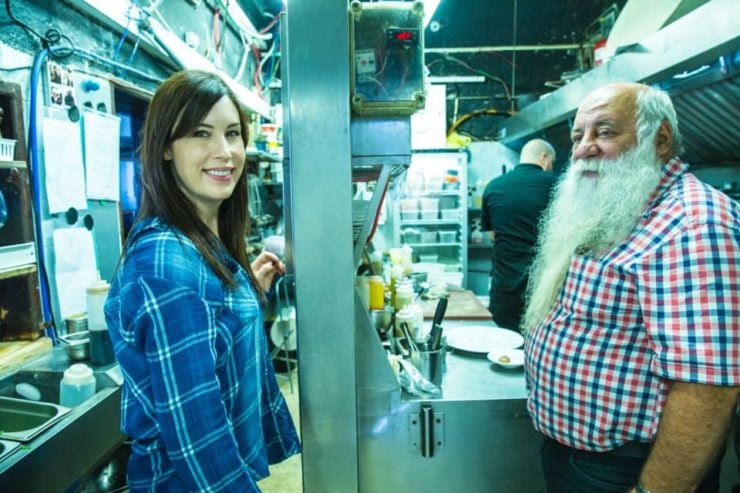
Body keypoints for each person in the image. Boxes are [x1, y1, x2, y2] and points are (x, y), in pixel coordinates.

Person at [522, 82, 739, 493]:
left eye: (604, 132)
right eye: (578, 135)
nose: (585, 147)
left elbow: (707, 388)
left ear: (659, 139)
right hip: (579, 458)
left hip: (631, 469)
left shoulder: (693, 225)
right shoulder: (620, 204)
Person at [104, 69, 300, 492]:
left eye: (232, 133)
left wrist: (245, 298)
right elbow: (198, 436)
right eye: (200, 133)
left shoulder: (203, 244)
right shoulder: (165, 260)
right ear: (167, 149)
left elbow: (209, 342)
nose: (224, 151)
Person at [480, 138, 556, 332]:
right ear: (544, 158)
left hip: (505, 286)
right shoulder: (557, 185)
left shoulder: (493, 187)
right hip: (544, 288)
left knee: (505, 346)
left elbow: (492, 237)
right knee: (538, 343)